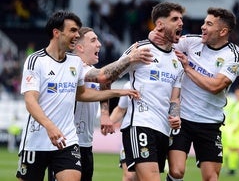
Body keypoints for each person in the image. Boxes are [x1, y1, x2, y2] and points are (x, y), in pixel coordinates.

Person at [16, 10, 145, 181]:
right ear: (56, 32)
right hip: (38, 138)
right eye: (73, 31)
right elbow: (30, 100)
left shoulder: (75, 63)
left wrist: (116, 92)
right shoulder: (36, 60)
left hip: (68, 140)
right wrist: (49, 126)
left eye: (78, 31)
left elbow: (82, 94)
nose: (76, 35)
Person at [150, 7, 239, 181]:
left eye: (208, 24)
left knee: (211, 177)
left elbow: (216, 86)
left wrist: (187, 67)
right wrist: (152, 35)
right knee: (177, 171)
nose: (202, 27)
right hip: (182, 120)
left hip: (210, 123)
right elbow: (161, 41)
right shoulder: (191, 42)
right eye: (204, 22)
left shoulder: (234, 56)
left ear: (223, 31)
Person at [72, 27, 152, 181]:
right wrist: (129, 58)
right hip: (68, 144)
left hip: (85, 143)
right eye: (93, 40)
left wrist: (104, 114)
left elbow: (104, 80)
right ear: (80, 47)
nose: (99, 44)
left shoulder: (90, 69)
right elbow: (103, 76)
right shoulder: (74, 67)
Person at [119, 2, 185, 181]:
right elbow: (107, 76)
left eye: (181, 19)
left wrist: (175, 115)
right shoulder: (140, 49)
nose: (181, 23)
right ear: (160, 25)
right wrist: (104, 113)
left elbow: (175, 98)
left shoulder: (177, 60)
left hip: (163, 129)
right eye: (175, 19)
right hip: (140, 123)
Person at [110, 81, 137, 181]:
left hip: (153, 133)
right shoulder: (128, 85)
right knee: (129, 176)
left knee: (144, 176)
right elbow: (121, 109)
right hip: (129, 133)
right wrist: (108, 122)